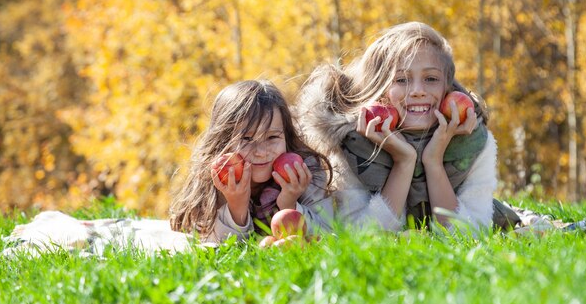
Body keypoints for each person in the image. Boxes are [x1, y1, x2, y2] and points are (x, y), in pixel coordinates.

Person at [295, 21, 501, 232]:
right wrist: (404, 161)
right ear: (378, 89)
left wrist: (433, 162)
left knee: (502, 215)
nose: (418, 91)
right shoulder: (351, 145)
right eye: (401, 80)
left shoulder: (472, 142)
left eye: (431, 78)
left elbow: (471, 234)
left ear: (447, 88)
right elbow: (364, 236)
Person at [169, 80, 334, 242]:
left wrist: (289, 204)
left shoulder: (304, 171)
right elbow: (212, 247)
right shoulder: (217, 178)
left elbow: (327, 235)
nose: (261, 152)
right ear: (223, 141)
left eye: (272, 137)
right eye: (247, 139)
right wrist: (236, 207)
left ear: (286, 135)